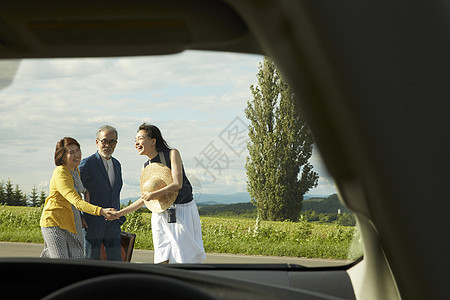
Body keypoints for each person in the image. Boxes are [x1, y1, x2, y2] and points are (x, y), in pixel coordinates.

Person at [115, 123, 206, 264]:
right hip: (159, 213)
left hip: (182, 210)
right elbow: (145, 198)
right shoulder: (145, 167)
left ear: (153, 141)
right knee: (162, 253)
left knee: (183, 255)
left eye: (140, 138)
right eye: (135, 140)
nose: (136, 142)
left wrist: (154, 194)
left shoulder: (172, 154)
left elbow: (178, 184)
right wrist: (120, 213)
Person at [40, 137, 118, 259]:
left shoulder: (75, 170)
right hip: (54, 223)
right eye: (71, 152)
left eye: (78, 150)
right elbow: (77, 202)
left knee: (76, 260)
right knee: (61, 262)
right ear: (62, 156)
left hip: (71, 223)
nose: (77, 155)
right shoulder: (61, 174)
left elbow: (79, 186)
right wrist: (101, 211)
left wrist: (86, 191)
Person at [79, 125, 125, 261]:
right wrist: (80, 216)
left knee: (116, 263)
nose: (108, 145)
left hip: (113, 224)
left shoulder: (117, 164)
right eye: (104, 141)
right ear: (97, 142)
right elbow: (74, 191)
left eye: (112, 141)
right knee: (91, 262)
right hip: (92, 223)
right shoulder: (87, 164)